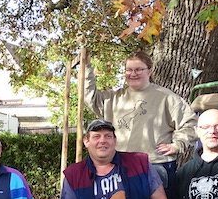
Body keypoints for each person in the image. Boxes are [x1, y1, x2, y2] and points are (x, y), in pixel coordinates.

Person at [81, 51, 197, 191]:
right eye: (129, 69)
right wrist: (87, 68)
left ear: (150, 71)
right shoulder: (114, 98)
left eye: (138, 69)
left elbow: (190, 123)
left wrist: (177, 145)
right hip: (120, 166)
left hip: (154, 166)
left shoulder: (166, 97)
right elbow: (89, 98)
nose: (133, 73)